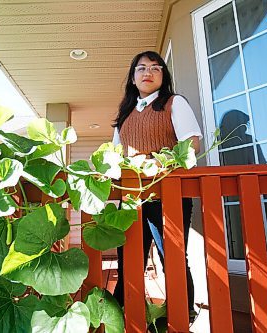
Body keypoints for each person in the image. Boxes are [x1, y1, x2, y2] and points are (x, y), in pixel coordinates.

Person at [111, 50, 202, 317]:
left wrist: (158, 165)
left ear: (164, 74)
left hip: (168, 195)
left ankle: (182, 316)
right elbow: (115, 155)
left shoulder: (174, 103)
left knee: (172, 259)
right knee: (128, 260)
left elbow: (192, 144)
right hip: (131, 199)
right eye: (141, 68)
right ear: (132, 77)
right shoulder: (126, 113)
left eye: (155, 67)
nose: (147, 73)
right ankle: (124, 315)